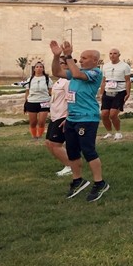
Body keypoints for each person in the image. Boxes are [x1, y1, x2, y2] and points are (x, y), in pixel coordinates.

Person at [49, 40, 109, 202]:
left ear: (95, 61)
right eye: (80, 57)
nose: (81, 60)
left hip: (87, 119)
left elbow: (76, 74)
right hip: (72, 119)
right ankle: (78, 180)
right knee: (72, 151)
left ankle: (100, 182)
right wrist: (56, 57)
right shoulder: (77, 71)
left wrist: (69, 55)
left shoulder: (95, 73)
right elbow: (57, 72)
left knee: (88, 151)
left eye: (84, 58)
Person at [44, 72, 73, 176]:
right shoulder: (59, 81)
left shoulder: (68, 81)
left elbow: (71, 99)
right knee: (48, 142)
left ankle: (71, 166)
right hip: (54, 116)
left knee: (56, 144)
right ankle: (67, 163)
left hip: (63, 115)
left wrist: (69, 116)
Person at [100, 47, 132, 140]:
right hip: (108, 90)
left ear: (119, 55)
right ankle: (109, 132)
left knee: (113, 114)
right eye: (110, 53)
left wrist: (128, 92)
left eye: (114, 53)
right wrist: (101, 93)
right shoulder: (105, 66)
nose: (112, 55)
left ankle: (118, 132)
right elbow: (103, 81)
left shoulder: (125, 66)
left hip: (120, 91)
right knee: (104, 114)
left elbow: (127, 80)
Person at [23, 61, 50, 139]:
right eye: (37, 67)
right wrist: (26, 103)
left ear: (43, 69)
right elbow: (27, 92)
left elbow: (51, 91)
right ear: (34, 69)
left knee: (41, 121)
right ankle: (34, 136)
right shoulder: (30, 79)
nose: (39, 68)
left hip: (44, 101)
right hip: (32, 102)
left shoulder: (47, 79)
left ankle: (40, 135)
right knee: (33, 122)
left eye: (41, 67)